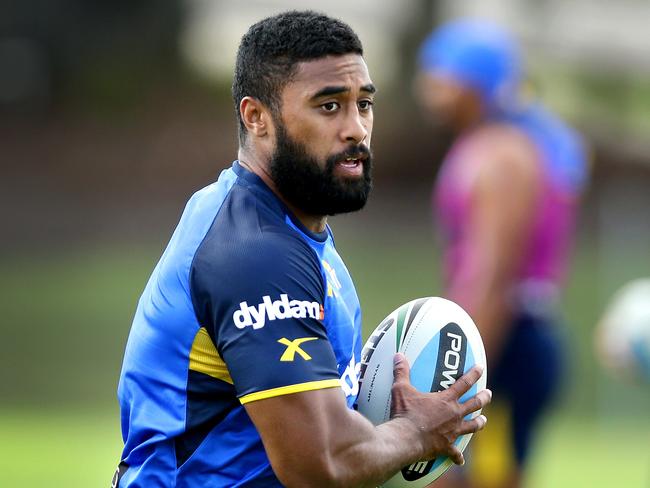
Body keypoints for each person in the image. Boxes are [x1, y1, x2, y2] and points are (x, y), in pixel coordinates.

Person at [113, 11, 491, 487]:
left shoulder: (294, 236)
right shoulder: (255, 252)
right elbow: (319, 462)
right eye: (329, 106)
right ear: (257, 118)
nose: (356, 129)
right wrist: (416, 434)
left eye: (364, 104)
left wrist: (388, 421)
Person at [415, 19, 588, 488]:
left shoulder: (503, 156)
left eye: (437, 75)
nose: (426, 88)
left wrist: (459, 381)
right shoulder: (493, 145)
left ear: (472, 82)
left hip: (506, 344)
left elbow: (493, 275)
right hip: (504, 339)